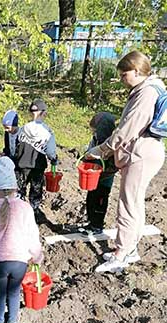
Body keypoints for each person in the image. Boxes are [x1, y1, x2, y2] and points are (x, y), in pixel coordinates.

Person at [85, 51, 165, 273]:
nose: (122, 79)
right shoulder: (150, 88)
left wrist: (102, 150)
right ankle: (130, 248)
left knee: (128, 205)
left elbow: (128, 129)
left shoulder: (146, 93)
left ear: (137, 71)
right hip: (146, 152)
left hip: (141, 154)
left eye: (124, 75)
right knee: (135, 202)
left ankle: (121, 254)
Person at [0, 156, 44, 323]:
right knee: (14, 293)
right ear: (15, 186)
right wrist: (36, 257)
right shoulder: (25, 208)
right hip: (19, 263)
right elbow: (32, 235)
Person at [15, 99, 58, 221]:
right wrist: (54, 159)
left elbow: (15, 145)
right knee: (36, 188)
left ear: (30, 113)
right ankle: (34, 210)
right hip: (38, 166)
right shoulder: (47, 131)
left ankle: (18, 212)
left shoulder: (23, 129)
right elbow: (50, 151)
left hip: (21, 164)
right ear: (44, 113)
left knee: (20, 188)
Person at [79, 112, 117, 236]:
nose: (93, 132)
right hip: (95, 176)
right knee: (91, 197)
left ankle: (97, 225)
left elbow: (109, 161)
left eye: (95, 130)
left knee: (100, 199)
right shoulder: (97, 139)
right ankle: (91, 222)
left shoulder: (108, 143)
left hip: (104, 177)